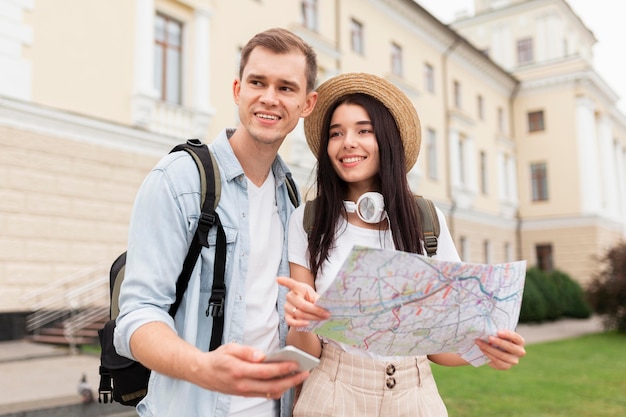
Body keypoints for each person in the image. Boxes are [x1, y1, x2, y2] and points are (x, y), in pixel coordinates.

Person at [277, 73, 526, 417]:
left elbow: (440, 347)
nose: (348, 142)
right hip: (334, 392)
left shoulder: (426, 218)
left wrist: (486, 349)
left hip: (415, 394)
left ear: (388, 140)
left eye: (364, 130)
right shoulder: (307, 221)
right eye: (336, 133)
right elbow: (305, 354)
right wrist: (301, 321)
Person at [114, 28, 318, 417]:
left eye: (286, 88)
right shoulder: (178, 180)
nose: (269, 98)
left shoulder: (292, 199)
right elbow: (138, 315)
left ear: (307, 103)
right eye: (258, 82)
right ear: (238, 89)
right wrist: (204, 368)